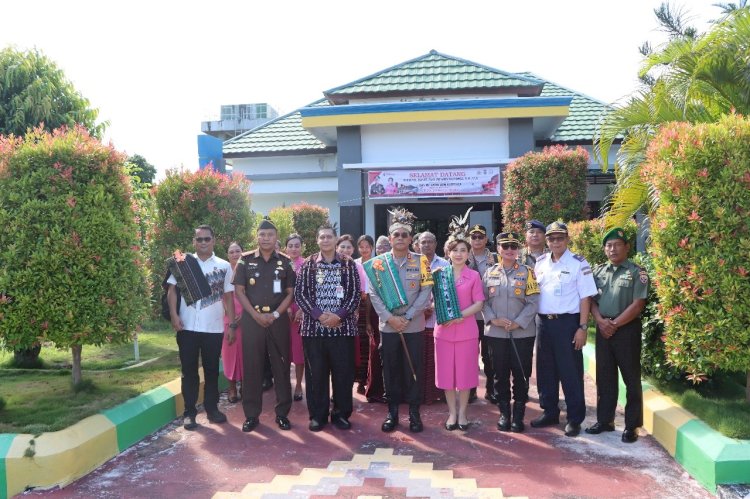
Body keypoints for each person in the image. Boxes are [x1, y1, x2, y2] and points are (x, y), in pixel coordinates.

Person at [365, 207, 433, 433]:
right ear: (390, 238)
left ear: (410, 238)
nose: (401, 238)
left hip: (413, 326)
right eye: (397, 235)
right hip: (389, 327)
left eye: (405, 235)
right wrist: (389, 318)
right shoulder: (379, 263)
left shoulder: (421, 261)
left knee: (413, 369)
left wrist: (408, 315)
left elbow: (426, 290)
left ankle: (414, 414)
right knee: (391, 370)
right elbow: (373, 292)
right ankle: (392, 413)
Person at [531, 221, 598, 437]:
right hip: (544, 323)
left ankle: (574, 418)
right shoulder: (540, 263)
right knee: (545, 370)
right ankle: (550, 411)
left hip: (568, 324)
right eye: (551, 239)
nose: (555, 242)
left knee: (570, 371)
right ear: (547, 241)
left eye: (560, 238)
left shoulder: (578, 263)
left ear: (567, 239)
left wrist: (582, 326)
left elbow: (585, 296)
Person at [167, 225, 235, 430]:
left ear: (214, 241)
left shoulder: (224, 266)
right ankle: (189, 412)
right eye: (199, 239)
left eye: (207, 239)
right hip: (186, 327)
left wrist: (232, 324)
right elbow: (172, 290)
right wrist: (173, 314)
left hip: (213, 329)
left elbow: (229, 297)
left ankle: (212, 409)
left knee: (212, 370)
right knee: (189, 372)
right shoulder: (183, 263)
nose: (203, 242)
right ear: (194, 242)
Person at [295, 224, 361, 431]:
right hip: (314, 331)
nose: (325, 240)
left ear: (335, 239)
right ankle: (318, 415)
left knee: (343, 374)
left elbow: (354, 295)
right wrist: (320, 316)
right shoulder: (308, 264)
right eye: (321, 237)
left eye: (329, 237)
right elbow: (301, 295)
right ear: (317, 240)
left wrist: (338, 316)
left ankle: (341, 414)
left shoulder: (348, 264)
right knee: (316, 375)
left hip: (342, 329)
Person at [233, 217, 296, 432]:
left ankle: (282, 414)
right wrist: (255, 315)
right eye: (262, 234)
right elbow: (239, 291)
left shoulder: (286, 261)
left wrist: (277, 314)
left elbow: (291, 293)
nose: (266, 238)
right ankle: (251, 415)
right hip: (252, 322)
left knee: (281, 366)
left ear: (276, 237)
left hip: (277, 322)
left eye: (270, 235)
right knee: (252, 368)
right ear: (257, 237)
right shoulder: (245, 260)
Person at [586, 227, 648, 443]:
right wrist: (601, 322)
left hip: (626, 330)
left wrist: (614, 324)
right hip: (604, 329)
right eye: (609, 245)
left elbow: (638, 304)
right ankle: (605, 420)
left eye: (617, 245)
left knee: (631, 378)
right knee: (604, 377)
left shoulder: (636, 272)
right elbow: (590, 300)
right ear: (604, 249)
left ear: (626, 247)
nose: (612, 249)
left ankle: (632, 426)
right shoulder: (599, 272)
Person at [482, 232, 539, 433]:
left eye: (513, 246)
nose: (509, 250)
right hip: (496, 334)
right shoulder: (489, 273)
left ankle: (519, 415)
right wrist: (493, 319)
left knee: (522, 375)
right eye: (505, 246)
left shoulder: (528, 272)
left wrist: (518, 322)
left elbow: (533, 302)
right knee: (500, 375)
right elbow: (482, 302)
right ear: (498, 249)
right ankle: (505, 414)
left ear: (518, 249)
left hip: (522, 333)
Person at [432, 230, 485, 431]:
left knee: (464, 375)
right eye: (455, 250)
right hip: (443, 332)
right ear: (448, 253)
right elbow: (432, 300)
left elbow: (479, 303)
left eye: (463, 250)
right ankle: (451, 413)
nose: (459, 254)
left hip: (466, 332)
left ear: (468, 253)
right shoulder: (438, 275)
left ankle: (462, 413)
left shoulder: (473, 276)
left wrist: (458, 315)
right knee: (446, 375)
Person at [467, 223, 498, 403]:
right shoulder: (462, 257)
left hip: (489, 314)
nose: (477, 240)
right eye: (474, 237)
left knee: (489, 355)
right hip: (469, 314)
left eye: (480, 237)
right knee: (470, 354)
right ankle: (470, 389)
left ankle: (490, 389)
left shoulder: (495, 258)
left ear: (486, 239)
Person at [418, 231, 449, 405]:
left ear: (436, 244)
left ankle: (439, 393)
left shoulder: (444, 264)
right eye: (423, 242)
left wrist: (432, 306)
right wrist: (421, 308)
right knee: (420, 359)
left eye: (430, 242)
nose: (427, 245)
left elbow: (448, 292)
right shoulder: (413, 263)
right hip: (417, 321)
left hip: (439, 320)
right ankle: (420, 393)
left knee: (439, 359)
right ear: (418, 244)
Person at [336, 234, 369, 393]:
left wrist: (353, 310)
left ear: (353, 250)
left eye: (348, 247)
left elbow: (363, 293)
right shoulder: (330, 264)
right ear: (337, 248)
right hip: (332, 316)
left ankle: (349, 388)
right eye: (342, 246)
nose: (345, 250)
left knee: (351, 354)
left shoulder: (357, 267)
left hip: (352, 316)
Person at [356, 235, 386, 403]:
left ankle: (376, 384)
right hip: (359, 308)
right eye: (361, 246)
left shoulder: (378, 265)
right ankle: (362, 382)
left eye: (368, 246)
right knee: (361, 348)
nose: (365, 249)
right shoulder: (355, 264)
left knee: (373, 348)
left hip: (375, 309)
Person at [222, 241, 245, 403]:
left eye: (238, 251)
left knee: (246, 355)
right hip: (227, 319)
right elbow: (222, 297)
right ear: (227, 255)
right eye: (231, 252)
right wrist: (231, 318)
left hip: (247, 319)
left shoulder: (247, 271)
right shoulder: (223, 272)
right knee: (229, 354)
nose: (235, 254)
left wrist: (244, 315)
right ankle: (231, 389)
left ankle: (245, 386)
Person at [285, 233, 306, 401]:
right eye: (290, 245)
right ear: (286, 248)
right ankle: (284, 384)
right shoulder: (279, 265)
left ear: (301, 247)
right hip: (282, 313)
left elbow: (310, 291)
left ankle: (299, 384)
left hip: (301, 315)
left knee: (299, 354)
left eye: (296, 245)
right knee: (282, 352)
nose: (293, 248)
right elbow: (275, 290)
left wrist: (302, 309)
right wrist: (285, 308)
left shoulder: (307, 266)